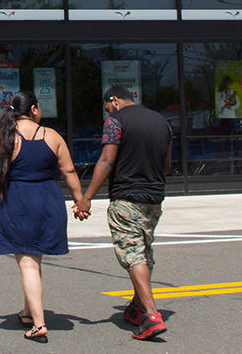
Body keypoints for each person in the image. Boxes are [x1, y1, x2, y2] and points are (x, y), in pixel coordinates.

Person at [0, 90, 84, 342]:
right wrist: (81, 201)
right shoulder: (52, 136)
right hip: (48, 202)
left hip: (18, 202)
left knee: (27, 262)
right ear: (33, 109)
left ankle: (38, 323)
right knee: (33, 258)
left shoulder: (4, 136)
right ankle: (27, 312)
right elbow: (69, 171)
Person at [75, 85, 174, 341]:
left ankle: (152, 316)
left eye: (107, 106)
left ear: (114, 100)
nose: (108, 111)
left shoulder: (115, 121)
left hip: (126, 197)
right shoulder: (162, 123)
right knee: (144, 252)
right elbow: (166, 164)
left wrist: (86, 198)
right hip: (154, 198)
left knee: (132, 254)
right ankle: (137, 307)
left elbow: (107, 160)